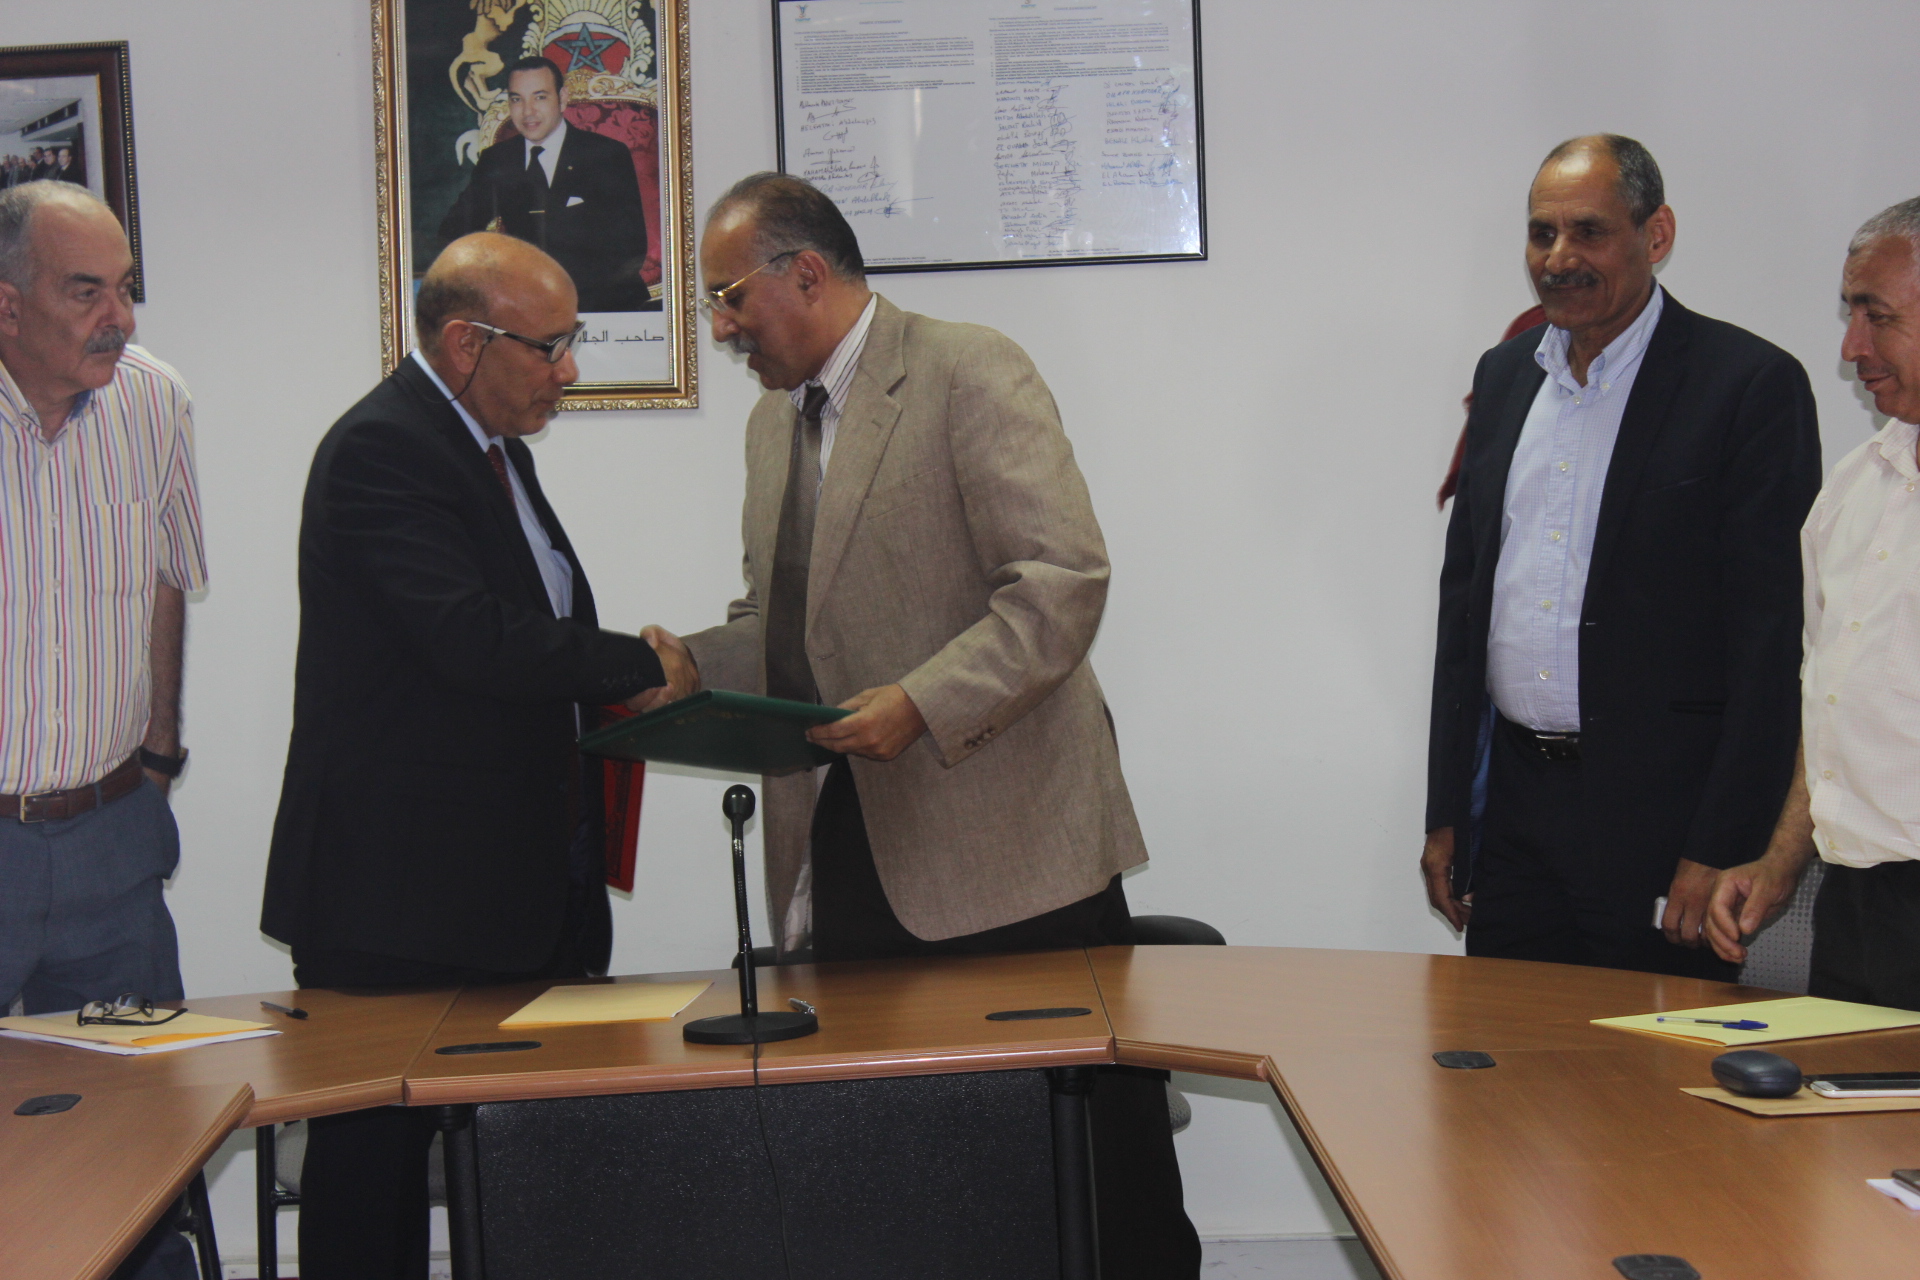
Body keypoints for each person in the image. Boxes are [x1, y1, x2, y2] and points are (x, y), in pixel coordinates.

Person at [645, 172, 1198, 1278]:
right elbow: (781, 626)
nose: (720, 328)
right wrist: (692, 666)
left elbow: (1060, 579)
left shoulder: (967, 368)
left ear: (806, 272)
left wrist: (924, 701)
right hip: (851, 851)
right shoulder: (768, 427)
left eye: (728, 297)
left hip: (1013, 855)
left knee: (1099, 1182)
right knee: (912, 1175)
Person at [259, 231, 692, 1279]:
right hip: (399, 909)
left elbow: (527, 642)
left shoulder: (499, 455)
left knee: (534, 1176)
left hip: (514, 896)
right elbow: (470, 638)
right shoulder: (381, 448)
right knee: (373, 1189)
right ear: (466, 342)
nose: (569, 370)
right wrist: (636, 662)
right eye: (550, 346)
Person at [1423, 135, 1820, 980]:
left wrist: (1724, 840)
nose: (1558, 258)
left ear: (1656, 234)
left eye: (1589, 232)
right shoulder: (1506, 377)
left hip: (1668, 828)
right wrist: (1449, 809)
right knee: (1506, 1051)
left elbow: (1769, 643)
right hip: (1517, 816)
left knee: (1653, 1062)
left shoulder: (1748, 384)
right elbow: (1466, 612)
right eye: (1542, 233)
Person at [0, 181, 206, 1277]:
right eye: (86, 292)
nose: (116, 317)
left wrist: (160, 753)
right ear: (7, 303)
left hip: (111, 845)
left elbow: (171, 576)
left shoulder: (153, 401)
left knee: (137, 1144)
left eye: (124, 289)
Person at [1707, 197, 1920, 1007]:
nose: (1851, 346)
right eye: (1849, 314)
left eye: (1877, 316)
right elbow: (1829, 704)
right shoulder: (1853, 491)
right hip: (1858, 906)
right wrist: (1782, 861)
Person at [437, 55, 655, 312]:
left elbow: (630, 249)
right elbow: (454, 231)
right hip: (523, 305)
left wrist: (555, 301)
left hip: (602, 303)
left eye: (539, 97)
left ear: (562, 99)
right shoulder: (498, 160)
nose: (528, 112)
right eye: (517, 99)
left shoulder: (605, 155)